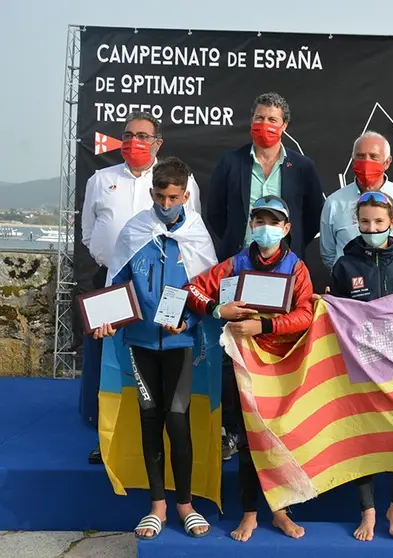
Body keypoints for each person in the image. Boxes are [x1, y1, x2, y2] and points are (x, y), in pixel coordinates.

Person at [92, 157, 215, 540]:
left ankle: (186, 505)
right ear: (151, 194)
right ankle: (157, 507)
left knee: (178, 420)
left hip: (180, 342)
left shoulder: (197, 234)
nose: (165, 205)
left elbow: (205, 293)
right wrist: (107, 319)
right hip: (141, 343)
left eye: (173, 197)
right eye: (160, 197)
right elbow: (117, 283)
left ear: (186, 195)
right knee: (150, 419)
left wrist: (189, 323)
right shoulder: (135, 230)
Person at [186, 195, 313, 543]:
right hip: (242, 366)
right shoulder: (235, 263)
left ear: (286, 228)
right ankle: (250, 513)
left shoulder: (297, 268)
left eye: (273, 222)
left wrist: (265, 327)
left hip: (283, 367)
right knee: (246, 442)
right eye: (259, 221)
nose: (266, 228)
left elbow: (305, 315)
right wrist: (217, 310)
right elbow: (191, 290)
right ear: (251, 226)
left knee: (279, 441)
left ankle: (281, 512)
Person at [206, 92, 323, 459]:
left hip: (283, 274)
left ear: (285, 126)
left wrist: (285, 247)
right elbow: (216, 213)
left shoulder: (301, 167)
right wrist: (242, 247)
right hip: (240, 269)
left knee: (276, 348)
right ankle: (229, 430)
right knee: (232, 349)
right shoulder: (231, 162)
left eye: (272, 120)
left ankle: (274, 429)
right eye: (258, 118)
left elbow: (313, 215)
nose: (264, 125)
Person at [80, 112, 201, 464]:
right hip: (114, 282)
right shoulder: (100, 180)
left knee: (158, 379)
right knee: (110, 366)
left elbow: (191, 235)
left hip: (162, 287)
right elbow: (89, 231)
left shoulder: (177, 181)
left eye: (143, 136)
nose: (135, 141)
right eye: (129, 134)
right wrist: (114, 260)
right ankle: (108, 442)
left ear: (157, 143)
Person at [329, 190, 393, 542]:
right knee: (364, 439)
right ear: (357, 222)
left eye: (379, 222)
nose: (372, 228)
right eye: (365, 222)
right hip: (361, 365)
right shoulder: (344, 264)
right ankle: (367, 511)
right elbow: (337, 314)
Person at [320, 131, 393, 272]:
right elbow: (329, 254)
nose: (366, 163)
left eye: (374, 157)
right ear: (353, 161)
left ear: (387, 162)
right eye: (360, 157)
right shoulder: (334, 203)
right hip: (350, 289)